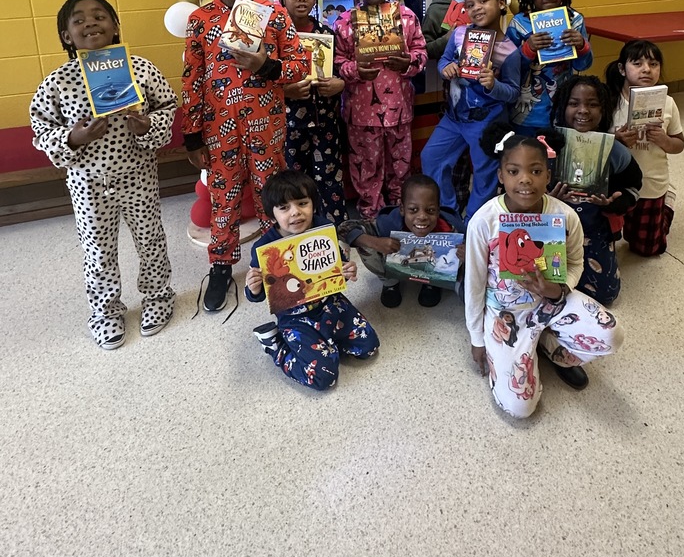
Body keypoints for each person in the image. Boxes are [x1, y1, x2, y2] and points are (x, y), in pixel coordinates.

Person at [30, 0, 176, 350]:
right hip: (88, 182)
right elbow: (40, 127)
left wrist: (148, 126)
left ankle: (158, 297)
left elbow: (168, 105)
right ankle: (105, 310)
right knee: (97, 251)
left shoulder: (140, 69)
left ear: (114, 27)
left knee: (150, 240)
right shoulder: (58, 82)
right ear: (67, 35)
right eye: (79, 20)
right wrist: (72, 137)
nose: (90, 23)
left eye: (99, 16)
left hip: (137, 173)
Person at [181, 0, 310, 314]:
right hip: (218, 129)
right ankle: (221, 266)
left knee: (273, 194)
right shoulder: (200, 20)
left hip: (266, 127)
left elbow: (301, 66)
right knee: (224, 200)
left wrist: (265, 67)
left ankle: (279, 258)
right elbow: (191, 79)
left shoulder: (276, 15)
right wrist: (192, 136)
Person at [464, 123, 624, 416]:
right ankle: (529, 347)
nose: (525, 180)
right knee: (521, 408)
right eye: (514, 171)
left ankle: (553, 350)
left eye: (536, 171)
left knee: (611, 333)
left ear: (548, 176)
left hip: (552, 302)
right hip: (507, 313)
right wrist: (477, 339)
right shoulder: (484, 221)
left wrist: (558, 289)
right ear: (501, 176)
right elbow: (473, 285)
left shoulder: (564, 215)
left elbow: (575, 263)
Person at [245, 171, 379, 391]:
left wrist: (347, 269)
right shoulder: (264, 248)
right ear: (272, 215)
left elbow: (338, 263)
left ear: (313, 204)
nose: (296, 212)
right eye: (284, 208)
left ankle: (327, 343)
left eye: (302, 203)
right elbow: (257, 294)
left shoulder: (324, 228)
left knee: (369, 348)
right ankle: (275, 345)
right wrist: (253, 287)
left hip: (331, 304)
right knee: (323, 379)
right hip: (294, 316)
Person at [334, 0, 427, 219]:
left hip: (399, 109)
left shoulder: (406, 18)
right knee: (366, 164)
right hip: (360, 111)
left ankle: (399, 207)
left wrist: (408, 62)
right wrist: (355, 70)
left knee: (400, 162)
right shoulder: (344, 22)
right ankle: (370, 211)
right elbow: (336, 60)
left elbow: (421, 51)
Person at [420, 0, 521, 220]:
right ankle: (448, 214)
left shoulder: (510, 51)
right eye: (469, 5)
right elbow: (443, 60)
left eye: (483, 1)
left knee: (485, 175)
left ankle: (474, 223)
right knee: (431, 157)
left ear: (501, 3)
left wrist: (493, 85)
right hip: (454, 118)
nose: (476, 8)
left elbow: (513, 92)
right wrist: (447, 68)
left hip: (486, 123)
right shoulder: (458, 34)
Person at [549, 75, 642, 305]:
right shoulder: (547, 144)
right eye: (574, 103)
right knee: (546, 286)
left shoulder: (613, 149)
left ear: (604, 111)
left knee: (606, 294)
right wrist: (548, 200)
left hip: (594, 229)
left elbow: (634, 185)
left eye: (592, 104)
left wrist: (615, 202)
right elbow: (523, 188)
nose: (583, 111)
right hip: (553, 230)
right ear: (563, 107)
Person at [277, 0, 346, 224]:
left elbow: (341, 69)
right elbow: (263, 81)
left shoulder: (326, 33)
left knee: (330, 175)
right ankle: (299, 227)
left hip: (325, 120)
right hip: (290, 123)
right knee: (294, 177)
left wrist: (340, 83)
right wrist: (285, 91)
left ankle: (335, 226)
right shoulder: (275, 37)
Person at [606, 40, 684, 256]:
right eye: (637, 63)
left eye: (653, 64)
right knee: (609, 239)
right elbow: (592, 140)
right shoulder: (609, 102)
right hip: (616, 184)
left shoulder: (667, 103)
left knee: (648, 249)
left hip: (651, 184)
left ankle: (666, 204)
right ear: (622, 69)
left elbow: (679, 144)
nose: (647, 69)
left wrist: (664, 140)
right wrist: (615, 139)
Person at [339, 173, 464, 308]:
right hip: (402, 262)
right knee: (364, 241)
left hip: (433, 267)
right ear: (402, 209)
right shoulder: (389, 223)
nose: (422, 216)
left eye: (430, 210)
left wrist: (466, 254)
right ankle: (390, 283)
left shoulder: (451, 228)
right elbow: (344, 228)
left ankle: (433, 285)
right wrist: (377, 243)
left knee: (464, 251)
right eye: (413, 210)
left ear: (438, 210)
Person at [506, 0, 592, 136]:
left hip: (563, 109)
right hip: (527, 112)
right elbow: (507, 69)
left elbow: (583, 65)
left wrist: (582, 46)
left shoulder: (574, 21)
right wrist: (527, 50)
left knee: (558, 158)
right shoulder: (519, 24)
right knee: (528, 157)